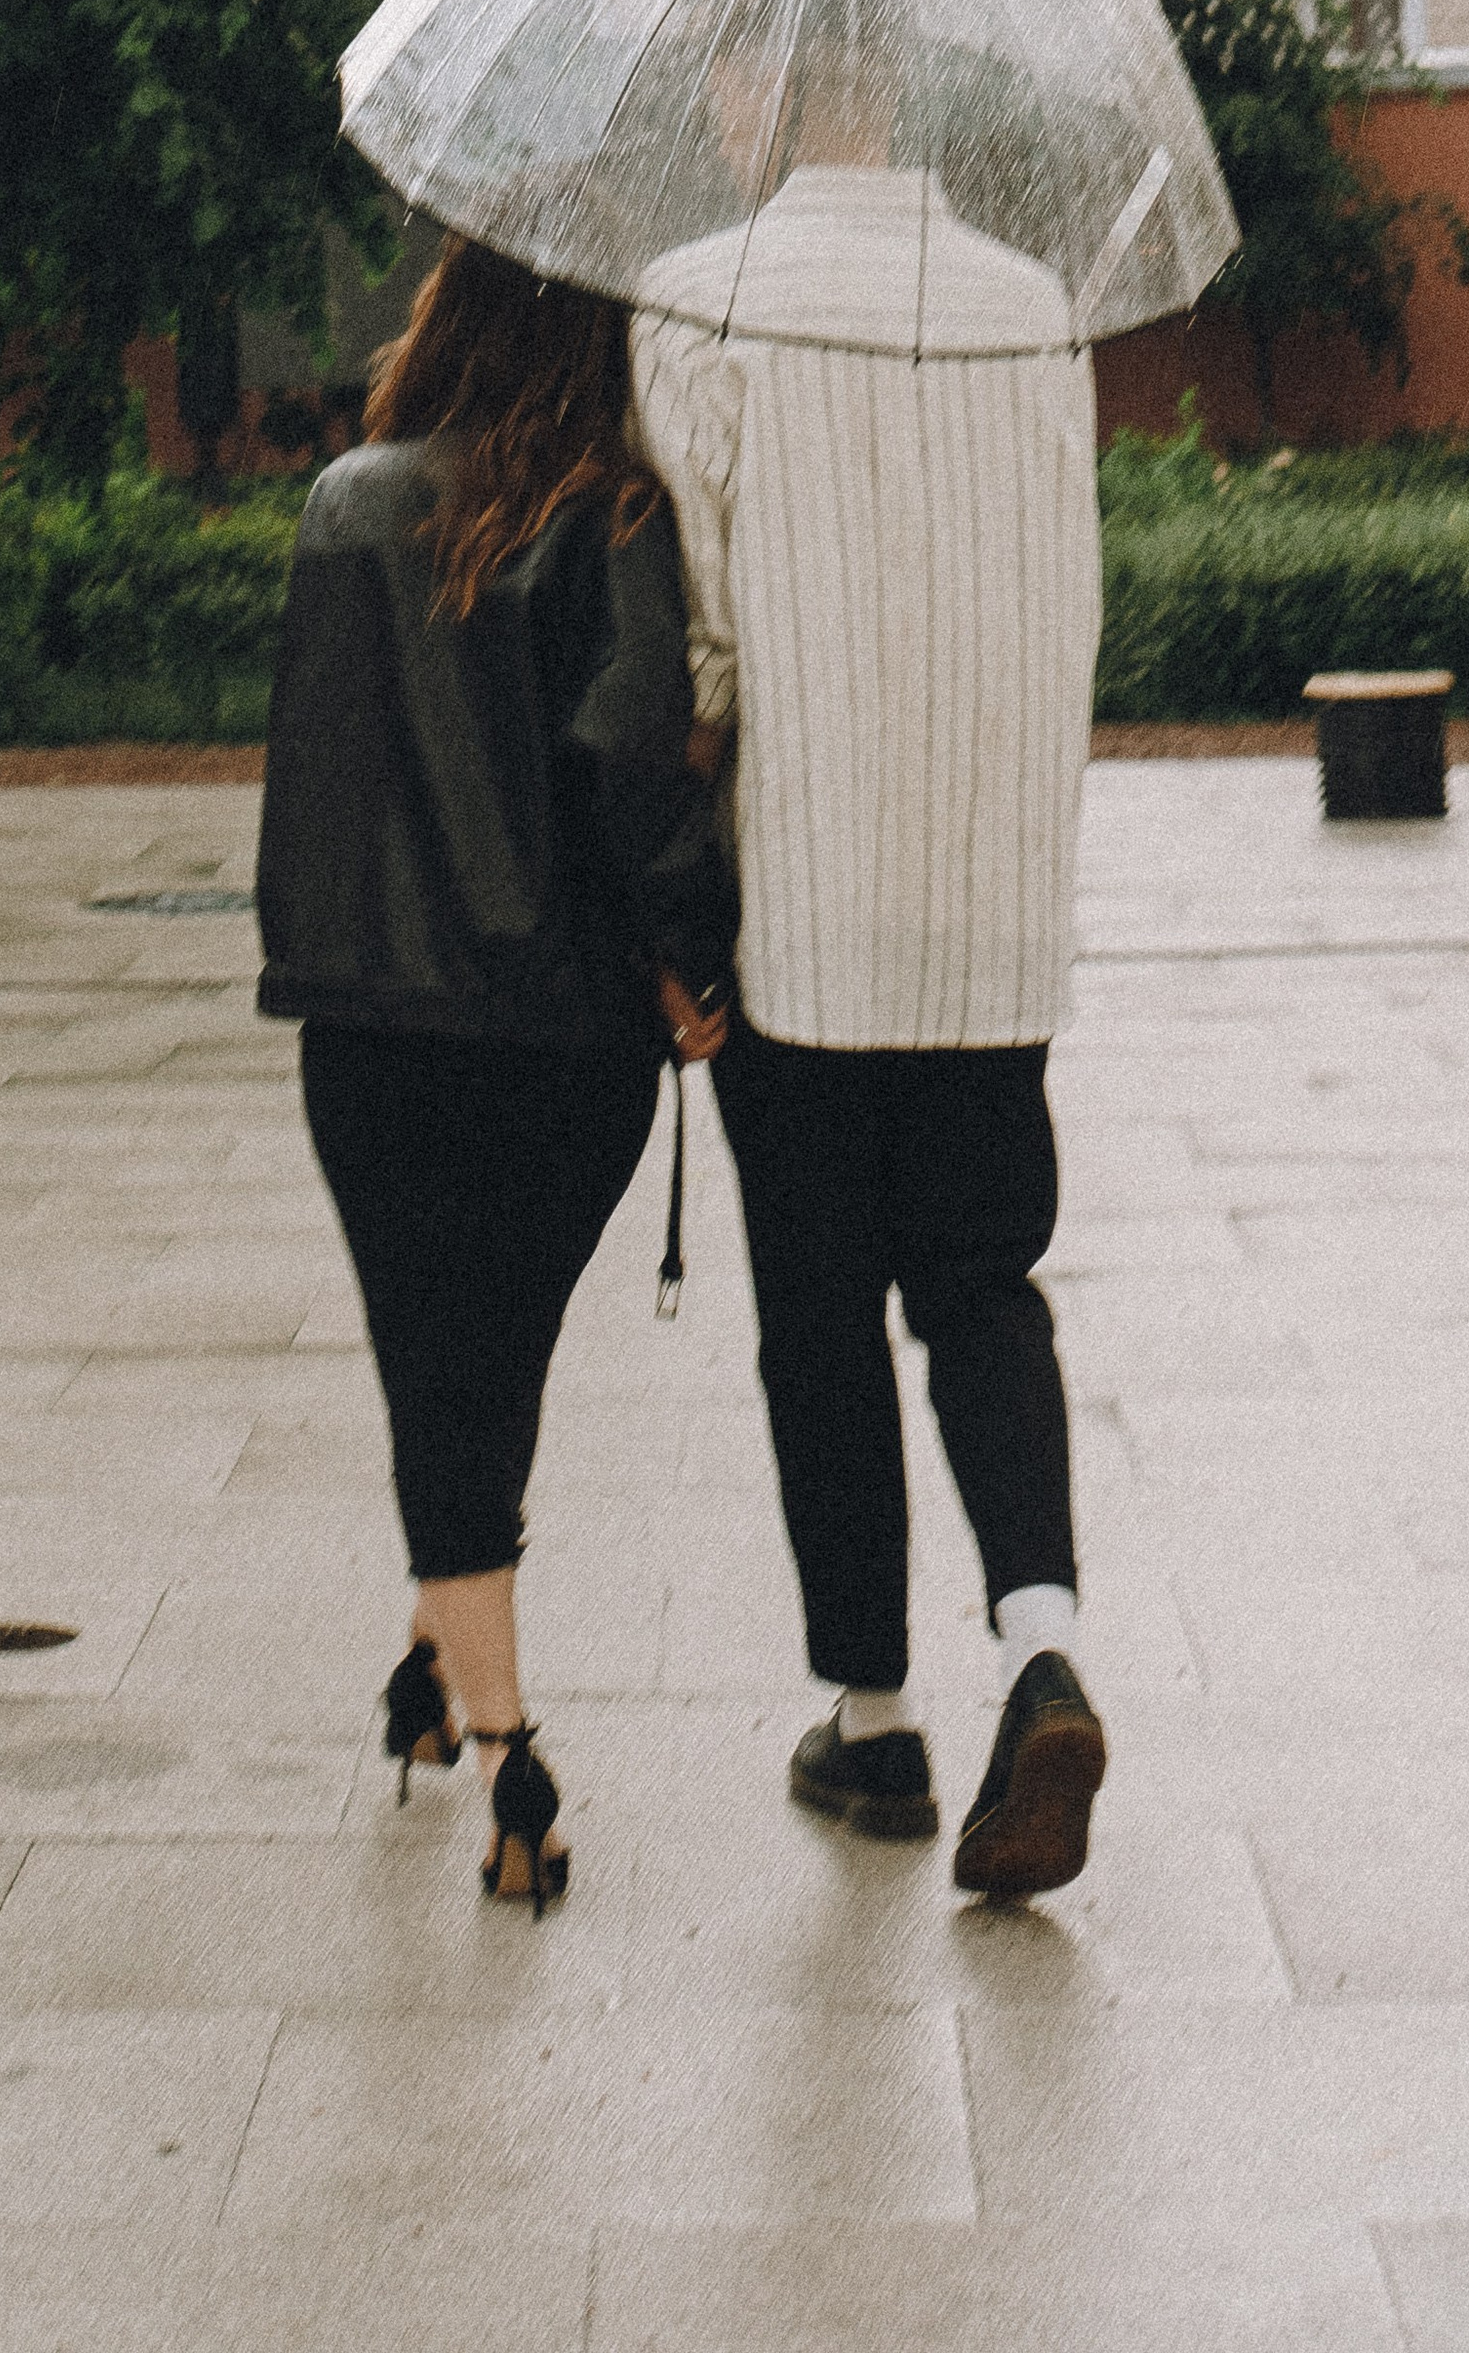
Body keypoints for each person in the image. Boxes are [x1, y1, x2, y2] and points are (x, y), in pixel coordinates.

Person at [631, 150, 1109, 1900]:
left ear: (762, 80)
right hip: (990, 912)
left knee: (820, 1319)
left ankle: (878, 1716)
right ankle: (1045, 1646)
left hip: (805, 909)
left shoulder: (703, 295)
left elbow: (705, 641)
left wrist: (671, 896)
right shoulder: (1035, 307)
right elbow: (1073, 585)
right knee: (984, 1287)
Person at [256, 234, 736, 1914]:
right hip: (565, 1040)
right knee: (492, 1354)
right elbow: (629, 771)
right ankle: (505, 1740)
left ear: (444, 325)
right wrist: (698, 955)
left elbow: (311, 779)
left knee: (434, 1361)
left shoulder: (344, 507)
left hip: (374, 1030)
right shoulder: (614, 522)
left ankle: (445, 1670)